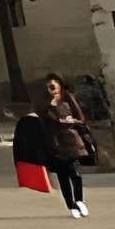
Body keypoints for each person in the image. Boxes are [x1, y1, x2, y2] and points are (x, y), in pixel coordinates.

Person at [30, 72, 96, 217]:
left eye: (54, 85)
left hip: (71, 140)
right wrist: (51, 106)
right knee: (63, 175)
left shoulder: (68, 97)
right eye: (49, 87)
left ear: (60, 85)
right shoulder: (44, 103)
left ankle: (79, 201)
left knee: (74, 173)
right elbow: (44, 120)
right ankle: (71, 206)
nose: (52, 88)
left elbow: (81, 118)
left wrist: (72, 121)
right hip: (55, 142)